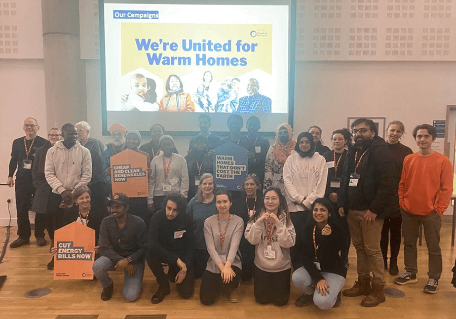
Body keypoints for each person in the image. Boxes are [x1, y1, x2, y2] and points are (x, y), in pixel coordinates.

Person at [338, 118, 396, 307]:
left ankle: (378, 289)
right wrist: (342, 203)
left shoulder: (381, 151)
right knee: (360, 249)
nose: (358, 134)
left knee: (372, 250)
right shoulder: (353, 151)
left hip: (370, 212)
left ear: (373, 132)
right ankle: (363, 283)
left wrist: (374, 209)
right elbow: (345, 179)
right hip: (352, 210)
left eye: (363, 130)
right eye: (355, 131)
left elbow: (388, 184)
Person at [394, 124, 453, 294]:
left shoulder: (443, 161)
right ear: (415, 139)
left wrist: (439, 209)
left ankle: (434, 277)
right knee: (409, 244)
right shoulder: (409, 159)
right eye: (419, 136)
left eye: (426, 136)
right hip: (409, 210)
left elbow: (446, 188)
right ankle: (411, 272)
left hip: (431, 213)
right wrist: (402, 202)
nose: (422, 139)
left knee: (433, 247)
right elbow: (403, 183)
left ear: (433, 138)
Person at [292, 198, 346, 309]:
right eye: (315, 210)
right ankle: (310, 293)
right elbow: (305, 258)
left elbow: (334, 256)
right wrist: (318, 278)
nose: (318, 213)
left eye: (323, 210)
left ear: (329, 213)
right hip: (315, 268)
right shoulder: (307, 229)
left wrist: (328, 238)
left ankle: (335, 293)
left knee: (322, 303)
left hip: (333, 270)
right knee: (297, 278)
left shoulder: (338, 230)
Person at [245, 187, 296, 306]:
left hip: (281, 266)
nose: (270, 201)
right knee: (261, 300)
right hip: (261, 266)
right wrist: (258, 223)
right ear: (263, 200)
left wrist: (278, 223)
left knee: (280, 302)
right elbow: (252, 240)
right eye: (267, 198)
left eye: (274, 198)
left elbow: (289, 243)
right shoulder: (257, 216)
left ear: (279, 201)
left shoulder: (285, 217)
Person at [45, 123, 92, 250]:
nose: (74, 136)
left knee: (75, 226)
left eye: (76, 134)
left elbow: (87, 175)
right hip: (57, 195)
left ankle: (75, 255)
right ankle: (57, 257)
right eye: (70, 134)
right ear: (63, 135)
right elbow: (49, 173)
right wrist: (62, 190)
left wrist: (74, 193)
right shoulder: (52, 151)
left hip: (76, 196)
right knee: (58, 226)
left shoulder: (84, 151)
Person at [93, 193, 147, 302]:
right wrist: (122, 261)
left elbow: (145, 247)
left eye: (117, 207)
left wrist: (129, 260)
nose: (113, 210)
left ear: (127, 207)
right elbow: (103, 247)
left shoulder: (138, 222)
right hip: (114, 257)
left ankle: (134, 280)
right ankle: (107, 285)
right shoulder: (105, 222)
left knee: (131, 297)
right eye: (112, 207)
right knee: (97, 266)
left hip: (134, 260)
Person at [147, 193, 194, 303]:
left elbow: (191, 245)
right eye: (169, 208)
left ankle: (174, 270)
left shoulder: (187, 219)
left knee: (186, 293)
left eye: (175, 210)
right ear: (165, 206)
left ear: (181, 210)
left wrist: (185, 266)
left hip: (181, 253)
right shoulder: (156, 217)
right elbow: (152, 243)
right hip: (163, 252)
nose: (171, 213)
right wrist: (175, 260)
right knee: (149, 254)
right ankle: (163, 285)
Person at [8, 117, 47, 248]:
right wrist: (10, 175)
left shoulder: (44, 143)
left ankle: (40, 235)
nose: (29, 128)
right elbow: (13, 160)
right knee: (21, 208)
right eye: (27, 125)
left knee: (39, 208)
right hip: (22, 180)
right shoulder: (17, 142)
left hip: (38, 180)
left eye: (32, 125)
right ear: (23, 127)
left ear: (38, 127)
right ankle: (23, 236)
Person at [200, 189, 244, 305]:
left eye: (225, 201)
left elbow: (235, 245)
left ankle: (234, 286)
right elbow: (210, 248)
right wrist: (222, 268)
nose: (222, 205)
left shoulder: (238, 221)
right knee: (206, 300)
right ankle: (219, 283)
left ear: (231, 203)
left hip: (232, 261)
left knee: (230, 280)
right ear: (215, 204)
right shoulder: (208, 222)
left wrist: (228, 265)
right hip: (214, 262)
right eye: (219, 202)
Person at [381, 121, 413, 276]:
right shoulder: (378, 148)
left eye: (398, 131)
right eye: (392, 130)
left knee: (395, 233)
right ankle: (382, 261)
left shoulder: (407, 151)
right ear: (387, 130)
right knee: (381, 232)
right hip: (381, 197)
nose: (394, 133)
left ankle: (393, 261)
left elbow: (410, 176)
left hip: (398, 198)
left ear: (402, 134)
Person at [47, 185, 103, 270]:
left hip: (92, 245)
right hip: (75, 244)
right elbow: (65, 233)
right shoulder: (69, 213)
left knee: (91, 271)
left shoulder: (98, 212)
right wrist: (58, 247)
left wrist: (99, 246)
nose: (85, 200)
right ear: (76, 200)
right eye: (81, 198)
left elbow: (101, 233)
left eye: (87, 197)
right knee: (54, 266)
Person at [283, 132, 328, 234]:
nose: (304, 144)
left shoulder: (320, 159)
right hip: (294, 208)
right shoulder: (291, 159)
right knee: (295, 239)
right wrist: (299, 199)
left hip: (313, 208)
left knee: (311, 238)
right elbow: (287, 181)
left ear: (312, 143)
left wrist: (309, 202)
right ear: (298, 144)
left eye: (307, 142)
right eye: (301, 142)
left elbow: (321, 183)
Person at [322, 128, 352, 267]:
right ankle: (330, 254)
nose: (337, 141)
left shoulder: (350, 156)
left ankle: (344, 257)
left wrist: (339, 196)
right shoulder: (326, 155)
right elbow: (321, 178)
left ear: (345, 141)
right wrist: (329, 194)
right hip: (327, 198)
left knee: (344, 229)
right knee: (329, 226)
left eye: (340, 139)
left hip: (343, 199)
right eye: (334, 139)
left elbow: (350, 179)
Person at [31, 128, 62, 251]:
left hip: (58, 186)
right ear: (48, 136)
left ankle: (55, 239)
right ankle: (39, 236)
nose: (54, 137)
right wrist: (37, 183)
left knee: (54, 214)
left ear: (61, 136)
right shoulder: (40, 150)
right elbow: (34, 169)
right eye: (51, 135)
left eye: (56, 135)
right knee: (40, 213)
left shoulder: (63, 150)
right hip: (43, 186)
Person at [231, 174, 264, 281]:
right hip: (243, 238)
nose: (249, 187)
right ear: (244, 186)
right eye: (247, 184)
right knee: (245, 277)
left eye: (252, 184)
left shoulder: (263, 201)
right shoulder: (237, 202)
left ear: (257, 186)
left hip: (259, 237)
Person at [186, 173, 217, 278]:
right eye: (204, 183)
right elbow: (187, 222)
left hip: (215, 246)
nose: (207, 186)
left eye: (210, 183)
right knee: (198, 275)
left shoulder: (218, 202)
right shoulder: (193, 202)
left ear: (214, 185)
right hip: (197, 245)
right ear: (200, 185)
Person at [147, 135, 189, 213]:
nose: (167, 147)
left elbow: (185, 179)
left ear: (173, 146)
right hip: (159, 196)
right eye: (164, 144)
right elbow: (151, 181)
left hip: (176, 196)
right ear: (160, 147)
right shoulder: (155, 160)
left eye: (169, 144)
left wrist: (183, 197)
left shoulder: (180, 159)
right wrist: (150, 199)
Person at [75, 121, 107, 218]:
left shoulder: (96, 143)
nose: (78, 133)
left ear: (88, 131)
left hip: (95, 182)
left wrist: (89, 178)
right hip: (80, 182)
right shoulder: (75, 145)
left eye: (80, 130)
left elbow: (101, 162)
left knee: (97, 208)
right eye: (76, 131)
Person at [124, 130, 153, 228]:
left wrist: (148, 172)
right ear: (126, 140)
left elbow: (148, 176)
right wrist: (110, 171)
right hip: (125, 195)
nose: (131, 140)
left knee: (140, 221)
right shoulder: (119, 155)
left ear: (139, 141)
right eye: (129, 138)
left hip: (140, 195)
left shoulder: (145, 155)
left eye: (134, 138)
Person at [263, 123, 296, 194]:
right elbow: (268, 168)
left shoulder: (297, 147)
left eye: (285, 132)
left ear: (290, 133)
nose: (283, 134)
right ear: (277, 135)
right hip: (277, 183)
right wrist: (267, 189)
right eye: (280, 133)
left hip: (294, 182)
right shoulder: (273, 148)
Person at [185, 135, 213, 201]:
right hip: (191, 190)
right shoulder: (188, 157)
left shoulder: (210, 157)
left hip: (207, 188)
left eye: (202, 143)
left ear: (206, 144)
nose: (199, 145)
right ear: (193, 144)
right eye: (197, 143)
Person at [244, 116, 270, 187]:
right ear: (246, 126)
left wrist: (255, 157)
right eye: (250, 125)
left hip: (259, 174)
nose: (252, 127)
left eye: (254, 125)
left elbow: (267, 159)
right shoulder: (241, 140)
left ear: (259, 127)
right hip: (243, 174)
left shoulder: (264, 142)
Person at [103, 123, 126, 188]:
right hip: (111, 186)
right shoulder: (106, 152)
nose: (116, 137)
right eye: (114, 135)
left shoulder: (128, 150)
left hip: (128, 185)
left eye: (119, 134)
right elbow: (104, 171)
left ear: (124, 135)